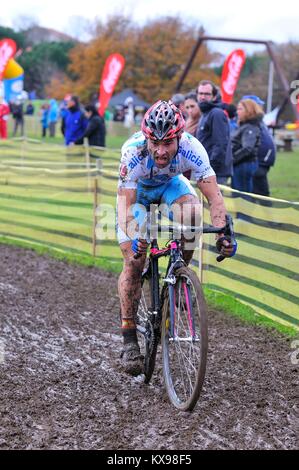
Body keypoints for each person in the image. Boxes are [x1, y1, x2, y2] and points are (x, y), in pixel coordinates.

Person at [117, 100, 237, 375]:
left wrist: (223, 232)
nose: (160, 151)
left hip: (170, 186)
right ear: (146, 138)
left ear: (179, 138)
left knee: (193, 213)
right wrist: (137, 236)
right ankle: (129, 337)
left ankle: (180, 270)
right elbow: (126, 210)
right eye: (155, 143)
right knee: (135, 262)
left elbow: (214, 196)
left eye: (168, 143)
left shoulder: (193, 148)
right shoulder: (132, 153)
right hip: (137, 196)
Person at [196, 80, 233, 186]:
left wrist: (209, 170)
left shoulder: (216, 113)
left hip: (215, 173)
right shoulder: (205, 114)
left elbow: (220, 145)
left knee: (214, 203)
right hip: (206, 171)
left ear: (214, 96)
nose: (203, 97)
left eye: (207, 94)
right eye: (200, 93)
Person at [241, 95, 276, 197]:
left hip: (261, 162)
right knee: (257, 194)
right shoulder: (251, 123)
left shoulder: (258, 121)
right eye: (258, 104)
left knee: (260, 194)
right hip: (257, 162)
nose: (260, 107)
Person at [231, 99, 264, 193]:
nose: (237, 112)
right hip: (239, 164)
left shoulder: (250, 127)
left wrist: (232, 159)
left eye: (240, 109)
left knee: (242, 197)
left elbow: (247, 148)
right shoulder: (244, 125)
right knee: (238, 196)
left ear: (248, 110)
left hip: (244, 165)